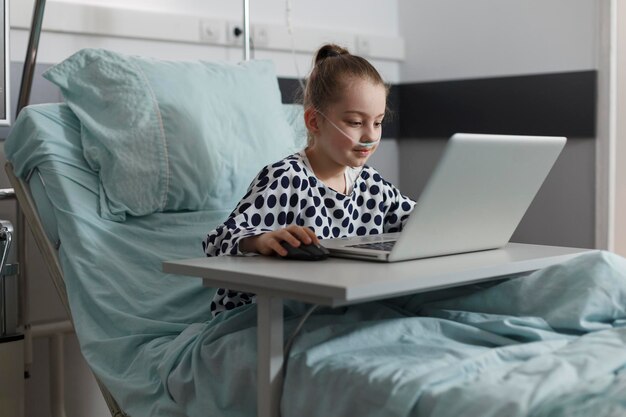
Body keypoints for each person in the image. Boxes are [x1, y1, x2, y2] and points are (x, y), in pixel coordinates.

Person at [203, 43, 415, 317]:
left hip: (334, 307)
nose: (371, 136)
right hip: (266, 316)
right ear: (315, 122)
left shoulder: (371, 185)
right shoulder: (286, 179)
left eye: (377, 122)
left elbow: (420, 221)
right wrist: (260, 241)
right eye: (355, 122)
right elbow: (216, 241)